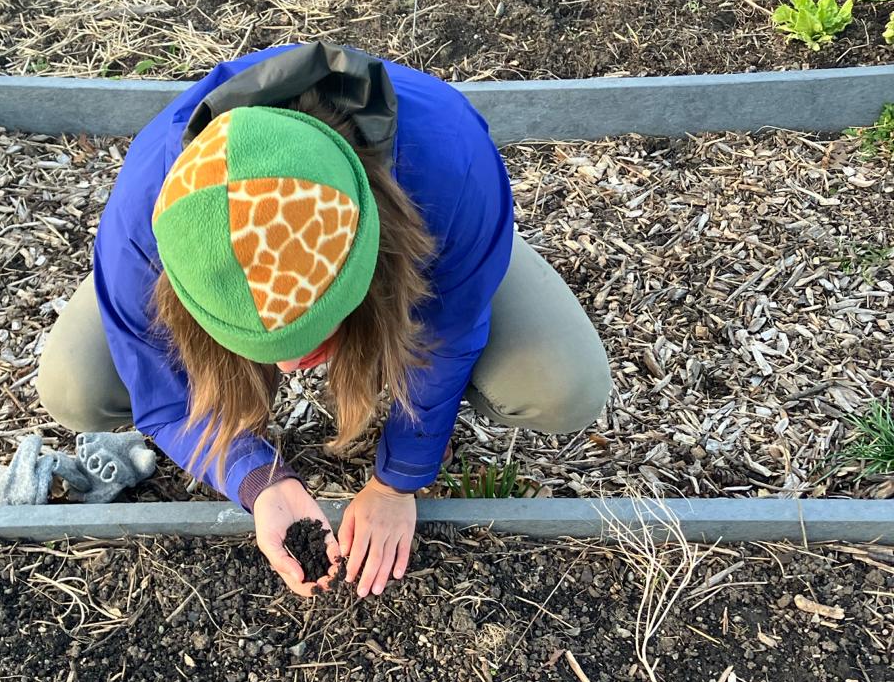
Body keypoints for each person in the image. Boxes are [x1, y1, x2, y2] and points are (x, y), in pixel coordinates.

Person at [37, 43, 610, 599]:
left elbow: (447, 334)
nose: (288, 368)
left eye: (311, 335)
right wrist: (258, 481)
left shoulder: (451, 164)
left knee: (561, 386)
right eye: (262, 346)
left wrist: (398, 482)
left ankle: (477, 261)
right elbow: (160, 390)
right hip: (153, 251)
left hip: (434, 228)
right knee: (76, 387)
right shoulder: (141, 227)